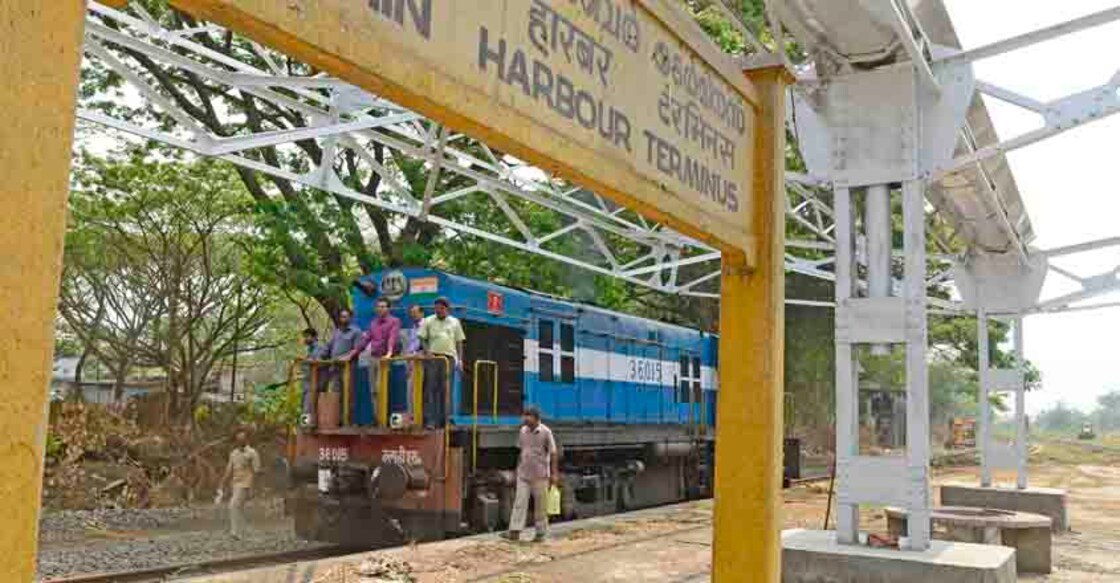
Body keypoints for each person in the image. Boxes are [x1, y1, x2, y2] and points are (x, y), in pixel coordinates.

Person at [501, 406, 560, 543]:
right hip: (523, 474)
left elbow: (553, 453)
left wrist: (554, 474)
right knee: (519, 502)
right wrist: (517, 470)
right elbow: (521, 452)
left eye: (528, 416)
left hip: (540, 475)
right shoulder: (523, 431)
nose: (525, 419)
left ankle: (540, 534)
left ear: (536, 418)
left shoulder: (546, 432)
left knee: (541, 505)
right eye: (524, 416)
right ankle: (514, 531)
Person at [348, 298, 401, 422]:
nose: (381, 309)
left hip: (384, 359)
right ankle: (377, 417)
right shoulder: (373, 323)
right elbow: (365, 341)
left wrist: (389, 353)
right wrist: (353, 353)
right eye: (379, 306)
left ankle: (383, 417)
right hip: (373, 357)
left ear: (388, 308)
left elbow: (392, 338)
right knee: (373, 390)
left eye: (384, 306)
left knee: (380, 387)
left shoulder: (394, 321)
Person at [417, 297, 465, 428]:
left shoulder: (455, 322)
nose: (438, 311)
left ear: (447, 309)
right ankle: (430, 421)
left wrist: (460, 360)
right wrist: (427, 352)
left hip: (448, 358)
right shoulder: (428, 321)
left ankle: (446, 420)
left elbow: (459, 341)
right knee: (430, 389)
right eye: (436, 308)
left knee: (446, 389)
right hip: (433, 358)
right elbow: (422, 338)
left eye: (441, 309)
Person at [219, 429, 261, 539]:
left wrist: (253, 487)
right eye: (238, 438)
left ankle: (235, 532)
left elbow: (256, 471)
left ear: (246, 439)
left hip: (246, 484)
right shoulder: (233, 453)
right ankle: (243, 531)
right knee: (239, 508)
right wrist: (222, 483)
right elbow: (229, 469)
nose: (240, 440)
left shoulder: (252, 453)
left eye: (242, 438)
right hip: (235, 483)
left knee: (233, 505)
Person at [319, 308, 363, 397]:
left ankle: (348, 411)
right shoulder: (337, 331)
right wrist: (321, 355)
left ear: (350, 318)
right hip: (335, 366)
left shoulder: (356, 332)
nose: (343, 319)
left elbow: (357, 349)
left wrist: (348, 357)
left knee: (348, 393)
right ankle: (336, 411)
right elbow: (329, 345)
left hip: (348, 367)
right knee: (336, 392)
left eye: (346, 317)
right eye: (342, 317)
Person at [399, 305, 425, 416]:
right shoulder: (413, 328)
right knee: (410, 389)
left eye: (415, 312)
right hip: (411, 361)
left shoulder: (426, 325)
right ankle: (411, 414)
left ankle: (416, 415)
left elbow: (425, 344)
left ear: (422, 313)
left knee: (416, 389)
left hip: (420, 361)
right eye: (411, 313)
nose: (413, 315)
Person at [300, 327, 321, 425]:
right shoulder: (310, 349)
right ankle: (306, 424)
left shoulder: (318, 348)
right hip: (307, 381)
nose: (305, 339)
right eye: (304, 337)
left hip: (313, 381)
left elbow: (316, 362)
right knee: (304, 404)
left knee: (308, 406)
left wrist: (305, 361)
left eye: (307, 336)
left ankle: (306, 425)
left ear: (314, 337)